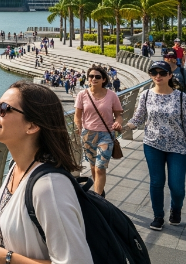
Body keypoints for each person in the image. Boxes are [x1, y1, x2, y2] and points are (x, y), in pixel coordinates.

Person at [0, 81, 97, 264]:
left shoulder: (49, 187)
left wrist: (3, 258)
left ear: (32, 126)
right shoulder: (17, 167)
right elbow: (31, 227)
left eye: (4, 109)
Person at [127, 61, 186, 230]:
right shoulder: (146, 95)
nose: (158, 76)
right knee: (157, 182)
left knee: (177, 186)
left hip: (178, 147)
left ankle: (176, 209)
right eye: (154, 73)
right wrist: (124, 126)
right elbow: (137, 119)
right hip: (152, 144)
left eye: (162, 73)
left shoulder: (181, 97)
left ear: (169, 75)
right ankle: (158, 216)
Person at [74, 66, 123, 197]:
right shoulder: (82, 95)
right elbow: (77, 116)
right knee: (92, 166)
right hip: (87, 135)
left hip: (106, 135)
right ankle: (100, 192)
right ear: (88, 79)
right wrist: (78, 127)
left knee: (100, 168)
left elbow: (118, 115)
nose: (94, 79)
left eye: (97, 77)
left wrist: (118, 122)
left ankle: (97, 199)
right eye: (91, 76)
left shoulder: (112, 95)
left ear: (104, 79)